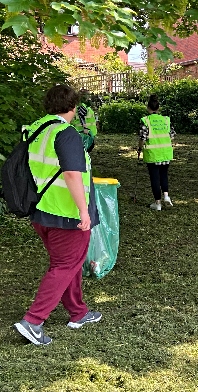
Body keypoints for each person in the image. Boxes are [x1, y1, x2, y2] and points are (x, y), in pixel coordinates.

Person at [13, 84, 102, 346]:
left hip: (42, 210)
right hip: (66, 214)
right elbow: (72, 173)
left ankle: (79, 312)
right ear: (73, 107)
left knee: (67, 264)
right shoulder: (66, 133)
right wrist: (84, 211)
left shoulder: (36, 130)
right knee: (65, 265)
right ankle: (33, 321)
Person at [138, 95, 175, 211]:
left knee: (154, 177)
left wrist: (139, 148)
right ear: (158, 108)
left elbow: (142, 138)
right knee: (164, 175)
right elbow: (172, 136)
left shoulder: (145, 120)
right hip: (166, 153)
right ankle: (166, 196)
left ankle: (157, 203)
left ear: (148, 107)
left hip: (153, 154)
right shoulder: (166, 120)